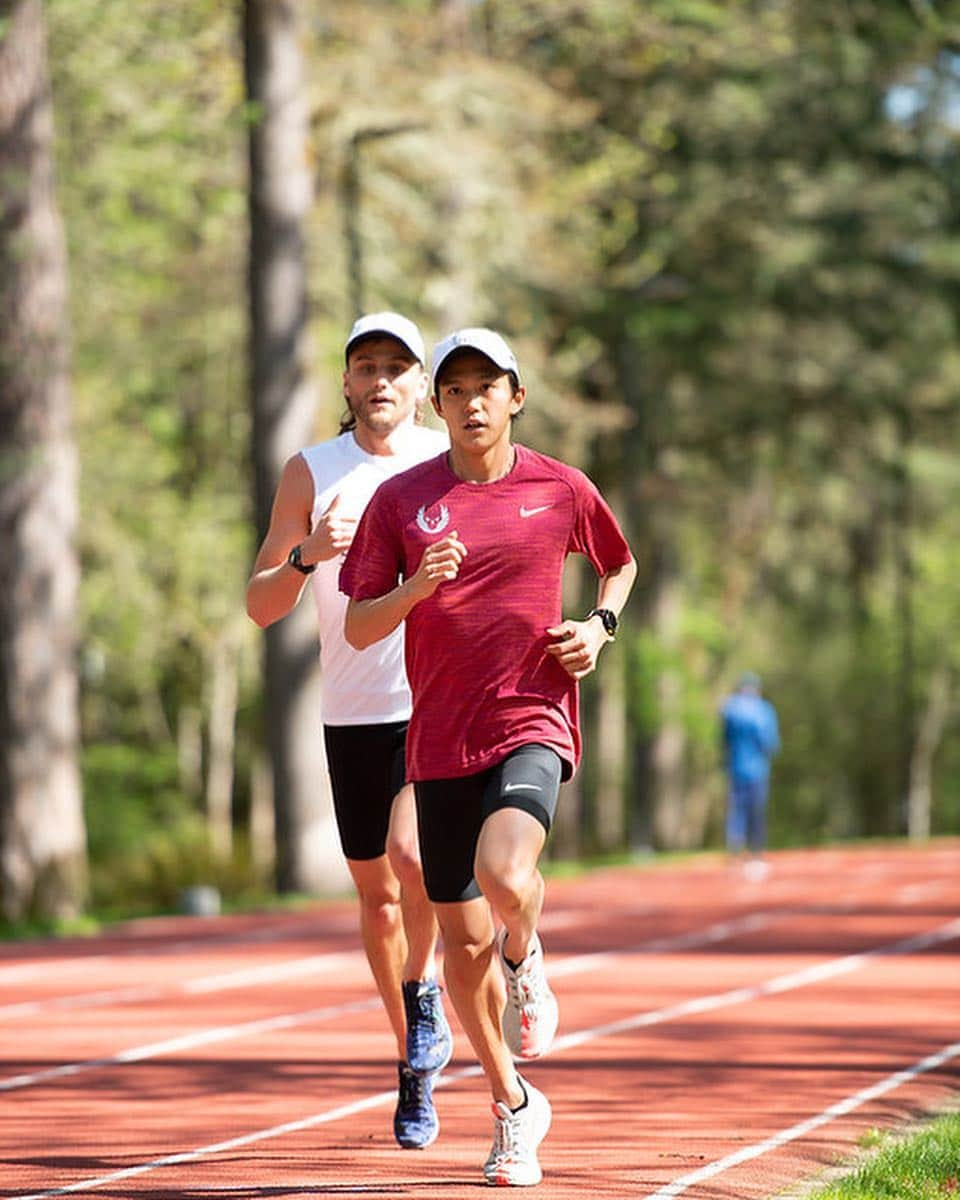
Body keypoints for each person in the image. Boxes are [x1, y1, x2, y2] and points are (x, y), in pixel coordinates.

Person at [340, 328, 637, 1186]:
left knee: (507, 874)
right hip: (437, 743)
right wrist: (415, 587)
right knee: (461, 953)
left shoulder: (560, 485)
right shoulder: (402, 501)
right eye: (456, 389)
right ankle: (513, 1105)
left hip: (532, 716)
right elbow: (361, 623)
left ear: (514, 398)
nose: (472, 403)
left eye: (488, 387)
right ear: (438, 406)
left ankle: (528, 950)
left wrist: (598, 627)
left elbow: (617, 565)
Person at [245, 312, 452, 1150]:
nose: (381, 382)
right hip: (351, 710)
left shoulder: (449, 464)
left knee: (412, 861)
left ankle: (427, 992)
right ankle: (412, 1057)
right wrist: (304, 559)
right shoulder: (311, 472)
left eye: (397, 368)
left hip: (433, 700)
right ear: (346, 382)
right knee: (376, 897)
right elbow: (259, 607)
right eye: (366, 366)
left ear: (418, 386)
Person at [720, 671, 780, 878]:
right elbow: (770, 743)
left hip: (735, 767)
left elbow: (724, 739)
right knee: (756, 812)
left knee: (736, 812)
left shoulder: (730, 708)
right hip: (757, 770)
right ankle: (755, 854)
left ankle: (734, 852)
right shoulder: (764, 710)